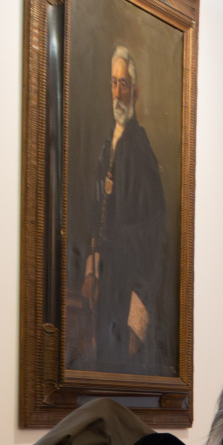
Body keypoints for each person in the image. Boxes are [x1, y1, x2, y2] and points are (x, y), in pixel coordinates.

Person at [67, 45, 172, 376]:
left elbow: (154, 235)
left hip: (130, 288)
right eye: (113, 83)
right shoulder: (105, 146)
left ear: (135, 92)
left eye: (124, 84)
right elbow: (97, 218)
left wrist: (137, 314)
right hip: (106, 285)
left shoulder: (141, 152)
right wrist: (90, 270)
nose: (118, 93)